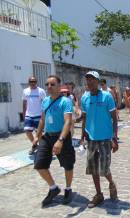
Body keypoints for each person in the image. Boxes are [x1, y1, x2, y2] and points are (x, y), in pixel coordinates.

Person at [33, 75, 75, 207]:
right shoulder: (45, 101)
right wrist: (36, 135)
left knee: (67, 165)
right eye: (47, 85)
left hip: (61, 137)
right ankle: (53, 188)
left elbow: (68, 121)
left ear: (59, 86)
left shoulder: (65, 101)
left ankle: (68, 189)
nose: (49, 87)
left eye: (52, 84)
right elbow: (42, 120)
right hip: (47, 137)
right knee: (39, 164)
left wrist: (60, 140)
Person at [80, 71, 119, 208]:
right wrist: (81, 136)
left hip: (105, 138)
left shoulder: (107, 97)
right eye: (87, 80)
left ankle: (111, 183)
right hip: (91, 138)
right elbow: (84, 118)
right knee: (92, 168)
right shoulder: (84, 98)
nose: (89, 82)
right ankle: (99, 194)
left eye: (92, 80)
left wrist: (114, 138)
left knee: (104, 168)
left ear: (97, 81)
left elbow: (114, 119)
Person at [22, 76, 46, 155]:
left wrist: (44, 114)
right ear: (29, 82)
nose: (33, 83)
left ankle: (42, 148)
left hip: (39, 115)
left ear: (36, 82)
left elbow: (45, 103)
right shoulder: (25, 91)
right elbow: (24, 104)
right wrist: (24, 115)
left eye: (34, 81)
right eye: (31, 81)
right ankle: (35, 145)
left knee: (38, 133)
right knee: (27, 131)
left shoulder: (41, 91)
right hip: (29, 115)